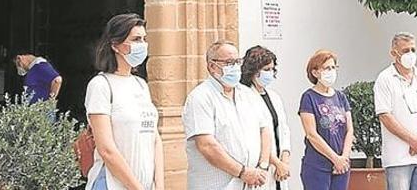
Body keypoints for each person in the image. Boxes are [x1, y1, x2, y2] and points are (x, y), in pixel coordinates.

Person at [84, 13, 164, 190]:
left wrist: (159, 184)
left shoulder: (141, 85)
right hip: (113, 184)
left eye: (144, 39)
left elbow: (154, 138)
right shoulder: (101, 85)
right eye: (135, 39)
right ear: (115, 45)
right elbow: (106, 149)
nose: (142, 45)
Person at [184, 41, 271, 190]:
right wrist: (242, 172)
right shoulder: (200, 97)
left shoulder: (248, 94)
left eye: (238, 62)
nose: (236, 67)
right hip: (217, 185)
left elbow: (264, 129)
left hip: (251, 183)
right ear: (212, 66)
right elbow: (206, 145)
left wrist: (262, 166)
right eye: (230, 63)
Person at [374, 33, 417, 190]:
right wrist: (412, 140)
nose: (410, 54)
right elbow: (385, 115)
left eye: (413, 50)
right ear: (394, 53)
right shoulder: (385, 79)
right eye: (405, 50)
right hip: (398, 159)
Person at [299, 50, 354, 190]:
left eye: (333, 67)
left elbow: (349, 130)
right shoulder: (309, 97)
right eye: (326, 68)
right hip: (317, 166)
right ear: (315, 72)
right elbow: (311, 134)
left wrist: (344, 158)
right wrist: (335, 159)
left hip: (341, 166)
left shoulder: (341, 97)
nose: (331, 71)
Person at [241, 46, 292, 190]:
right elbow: (257, 136)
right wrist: (276, 163)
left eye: (272, 69)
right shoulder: (244, 96)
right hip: (261, 166)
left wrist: (285, 161)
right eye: (266, 69)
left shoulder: (274, 97)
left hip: (280, 169)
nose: (270, 73)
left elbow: (284, 130)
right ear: (254, 71)